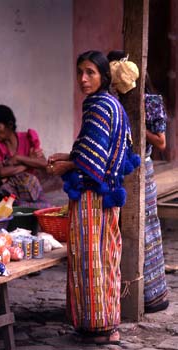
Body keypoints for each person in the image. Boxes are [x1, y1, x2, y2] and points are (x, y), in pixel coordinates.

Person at [47, 50, 140, 345]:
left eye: (90, 72)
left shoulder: (99, 105)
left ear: (103, 76)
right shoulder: (111, 104)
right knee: (106, 256)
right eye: (79, 73)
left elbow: (93, 159)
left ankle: (99, 326)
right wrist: (70, 156)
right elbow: (93, 148)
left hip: (92, 195)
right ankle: (105, 324)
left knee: (91, 259)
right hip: (106, 194)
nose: (83, 79)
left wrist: (68, 164)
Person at [107, 50, 169, 313]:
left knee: (147, 231)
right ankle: (120, 294)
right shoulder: (112, 100)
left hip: (143, 170)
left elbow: (161, 142)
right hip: (120, 172)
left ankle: (153, 297)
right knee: (120, 230)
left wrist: (134, 125)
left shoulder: (151, 100)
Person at [0, 104, 50, 208]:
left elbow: (44, 163)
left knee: (45, 208)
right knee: (14, 206)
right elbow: (2, 172)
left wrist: (19, 158)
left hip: (28, 189)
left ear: (10, 124)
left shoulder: (28, 138)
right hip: (2, 191)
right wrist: (29, 162)